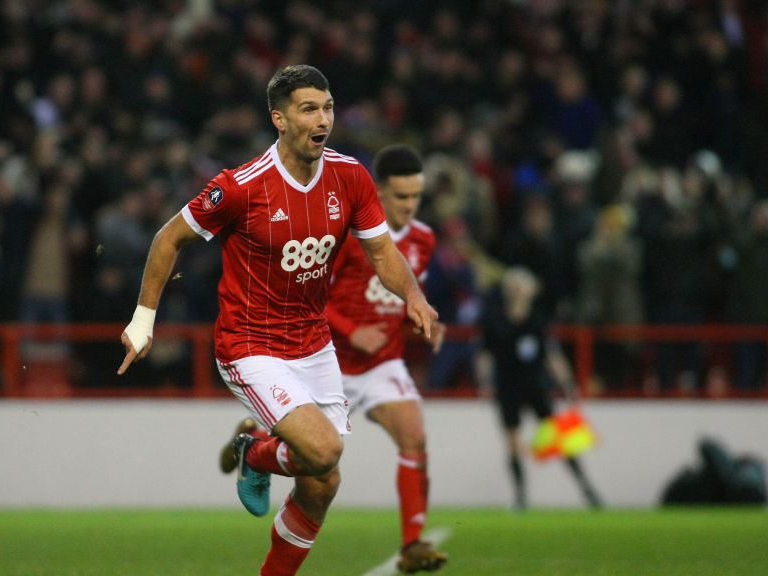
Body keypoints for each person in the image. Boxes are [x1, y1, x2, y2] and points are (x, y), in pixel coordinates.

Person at [117, 65, 440, 576]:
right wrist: (143, 319)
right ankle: (257, 453)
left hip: (313, 344)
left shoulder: (350, 176)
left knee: (323, 481)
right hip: (250, 344)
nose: (323, 119)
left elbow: (381, 252)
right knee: (323, 448)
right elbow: (168, 238)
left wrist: (414, 298)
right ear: (280, 118)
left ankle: (258, 466)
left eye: (328, 107)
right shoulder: (243, 186)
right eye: (309, 108)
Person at [324, 144, 448, 572]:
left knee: (414, 436)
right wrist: (351, 329)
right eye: (402, 197)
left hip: (382, 364)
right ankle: (256, 439)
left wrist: (424, 323)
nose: (411, 206)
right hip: (328, 362)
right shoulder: (348, 233)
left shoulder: (424, 240)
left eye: (416, 196)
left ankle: (412, 544)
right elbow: (308, 297)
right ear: (378, 192)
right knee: (311, 465)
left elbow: (408, 301)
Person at [474, 266, 602, 510]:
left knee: (559, 438)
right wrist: (486, 382)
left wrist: (568, 385)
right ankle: (521, 496)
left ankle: (586, 489)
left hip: (535, 385)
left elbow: (551, 355)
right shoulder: (495, 320)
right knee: (512, 441)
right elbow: (484, 355)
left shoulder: (537, 320)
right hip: (507, 387)